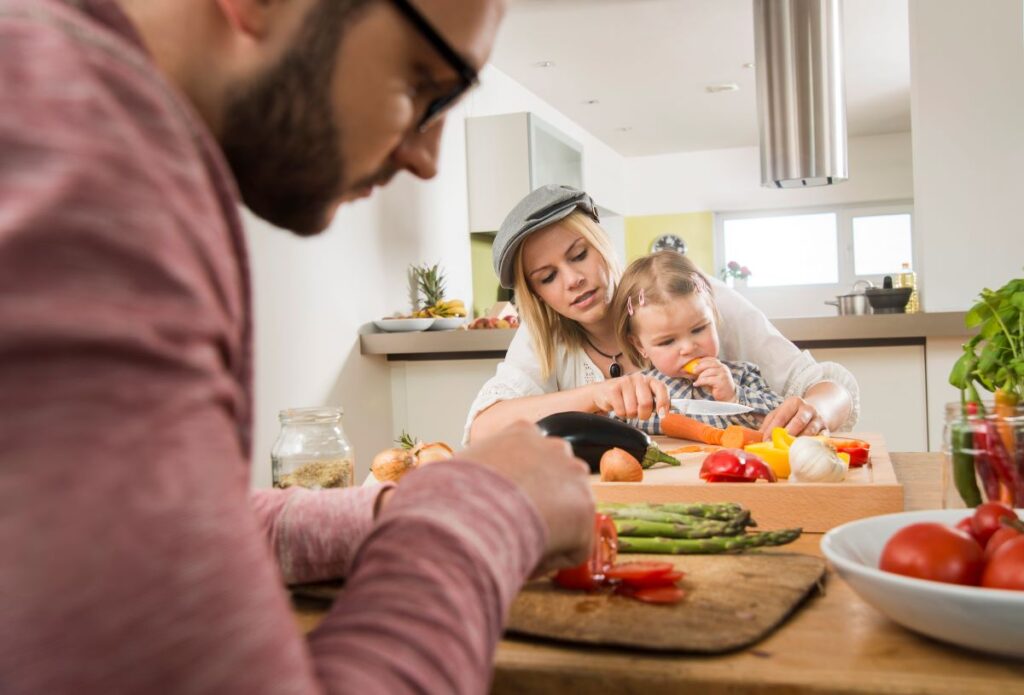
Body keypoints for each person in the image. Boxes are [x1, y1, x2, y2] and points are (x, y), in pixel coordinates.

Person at [0, 1, 595, 693]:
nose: (428, 159)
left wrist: (383, 514)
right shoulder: (79, 168)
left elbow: (129, 546)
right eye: (423, 84)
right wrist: (482, 513)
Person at [466, 184, 858, 443]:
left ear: (603, 244)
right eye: (548, 276)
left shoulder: (692, 299)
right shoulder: (543, 336)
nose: (572, 280)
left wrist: (815, 413)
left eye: (580, 255)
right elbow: (483, 428)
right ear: (536, 294)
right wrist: (597, 393)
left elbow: (829, 386)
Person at [610, 251, 784, 433]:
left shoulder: (742, 375)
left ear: (713, 317)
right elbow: (607, 430)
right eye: (667, 341)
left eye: (699, 329)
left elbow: (781, 417)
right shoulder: (639, 390)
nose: (688, 348)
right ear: (639, 346)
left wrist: (734, 395)